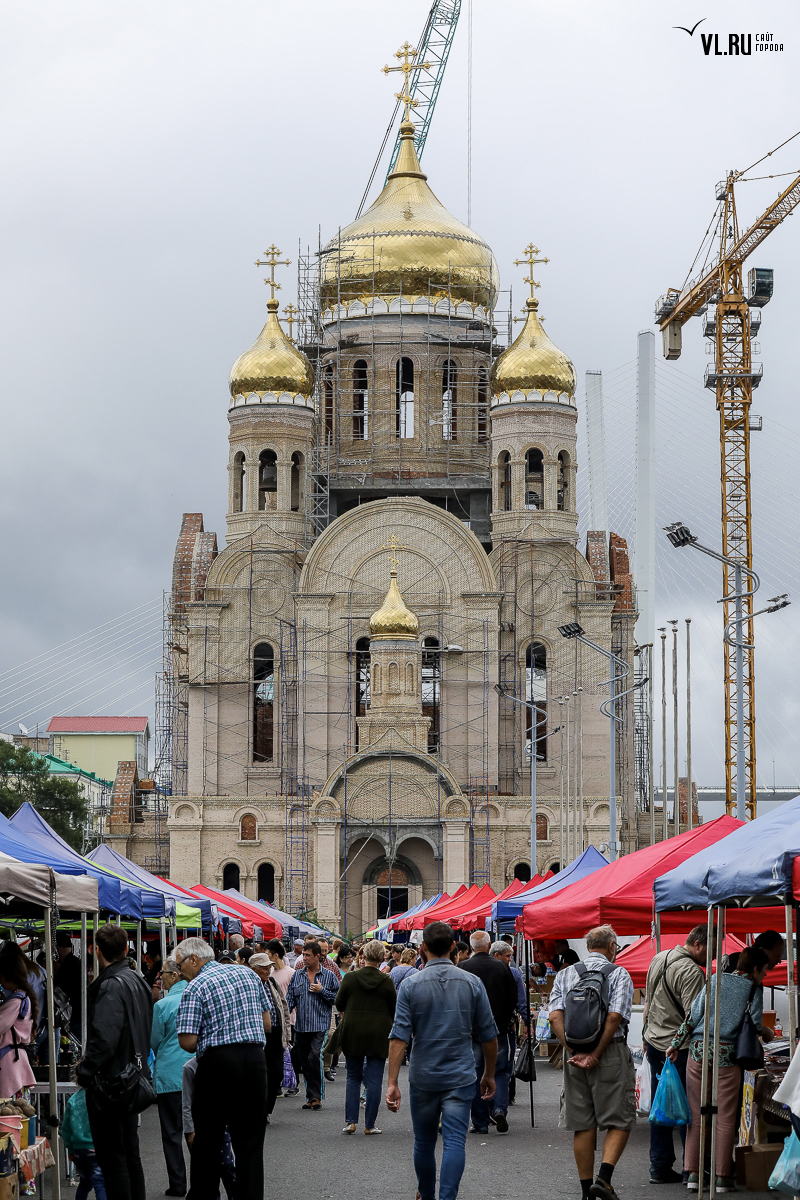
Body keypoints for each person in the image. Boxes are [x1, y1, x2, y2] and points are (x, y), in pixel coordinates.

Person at [386, 922, 498, 1200]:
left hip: (424, 1074)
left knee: (423, 1143)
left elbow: (399, 1037)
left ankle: (426, 1193)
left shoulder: (410, 985)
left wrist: (392, 1082)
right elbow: (489, 1035)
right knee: (454, 1142)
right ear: (454, 948)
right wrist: (489, 1073)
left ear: (422, 948)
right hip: (460, 1073)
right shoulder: (473, 983)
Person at [175, 936, 270, 1200]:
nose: (179, 972)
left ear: (193, 959)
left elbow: (188, 1041)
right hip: (254, 1061)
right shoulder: (248, 975)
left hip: (217, 1064)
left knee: (208, 1142)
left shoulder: (196, 986)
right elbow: (267, 1023)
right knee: (250, 1145)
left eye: (180, 965)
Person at [668, 945, 768, 1193]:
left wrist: (674, 1044)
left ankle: (692, 1173)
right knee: (724, 1117)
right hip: (727, 1053)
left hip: (699, 1049)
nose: (764, 976)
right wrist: (764, 1031)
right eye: (764, 971)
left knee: (696, 1113)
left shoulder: (715, 979)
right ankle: (722, 1176)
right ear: (755, 969)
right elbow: (755, 1025)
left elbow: (693, 1015)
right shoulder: (753, 989)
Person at [549, 925, 636, 1200]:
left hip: (573, 1054)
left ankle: (587, 1191)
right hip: (610, 1051)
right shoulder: (619, 973)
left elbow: (553, 1016)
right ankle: (604, 1179)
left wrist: (573, 1048)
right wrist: (596, 1053)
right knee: (619, 1118)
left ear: (588, 947)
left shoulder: (566, 973)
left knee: (583, 1123)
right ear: (612, 946)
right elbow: (614, 1017)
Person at [77, 923, 153, 1200]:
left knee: (115, 1160)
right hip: (131, 1076)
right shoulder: (136, 979)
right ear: (125, 949)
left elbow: (104, 1039)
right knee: (129, 1154)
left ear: (96, 950)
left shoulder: (113, 985)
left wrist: (85, 1071)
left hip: (114, 1083)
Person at [643, 926, 707, 1184]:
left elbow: (648, 1001)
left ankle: (659, 1167)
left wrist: (645, 1035)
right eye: (710, 950)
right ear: (699, 945)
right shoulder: (692, 971)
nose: (711, 957)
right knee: (686, 1107)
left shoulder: (659, 957)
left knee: (662, 1106)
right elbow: (695, 1016)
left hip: (654, 1042)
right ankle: (691, 1169)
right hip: (678, 1048)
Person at [334, 938, 397, 1135]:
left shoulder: (351, 978)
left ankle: (351, 1121)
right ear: (381, 958)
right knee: (375, 1078)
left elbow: (339, 1003)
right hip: (379, 1032)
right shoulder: (386, 981)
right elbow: (394, 1008)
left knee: (353, 1076)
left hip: (353, 1030)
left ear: (363, 956)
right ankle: (369, 1124)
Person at [459, 931, 518, 1134]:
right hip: (499, 1026)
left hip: (472, 1028)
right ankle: (499, 1108)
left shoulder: (464, 967)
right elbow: (512, 996)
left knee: (475, 1073)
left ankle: (480, 1121)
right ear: (489, 945)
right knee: (500, 1070)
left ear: (471, 947)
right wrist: (507, 1016)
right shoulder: (501, 966)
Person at [151, 957, 192, 1197]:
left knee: (171, 1133)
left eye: (163, 973)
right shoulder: (198, 996)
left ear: (175, 976)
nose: (161, 978)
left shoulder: (163, 1005)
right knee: (197, 1130)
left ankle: (177, 1184)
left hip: (169, 1075)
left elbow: (154, 1041)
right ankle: (202, 1181)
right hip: (196, 1073)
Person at [285, 940, 338, 1109]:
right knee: (305, 1061)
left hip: (320, 1024)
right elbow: (290, 1000)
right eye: (303, 955)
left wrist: (322, 991)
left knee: (315, 1056)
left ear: (317, 956)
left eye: (308, 955)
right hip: (301, 1026)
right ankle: (310, 1097)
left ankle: (317, 1096)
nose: (304, 958)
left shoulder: (328, 976)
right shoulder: (297, 975)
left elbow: (337, 999)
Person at [181, 1056, 235, 1200]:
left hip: (222, 1123)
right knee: (206, 1170)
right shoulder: (190, 1067)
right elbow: (186, 1103)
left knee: (227, 1164)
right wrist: (190, 1130)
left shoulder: (222, 1062)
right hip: (199, 1126)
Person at [249, 953, 291, 1116]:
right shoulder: (250, 985)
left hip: (275, 1034)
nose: (268, 971)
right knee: (259, 1075)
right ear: (254, 969)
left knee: (276, 1073)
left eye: (269, 968)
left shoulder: (272, 982)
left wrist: (287, 1033)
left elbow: (283, 1006)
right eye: (264, 968)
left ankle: (266, 1109)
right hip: (258, 1037)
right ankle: (259, 1111)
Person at [490, 940, 528, 1108]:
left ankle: (488, 1105)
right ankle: (502, 1103)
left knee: (485, 1064)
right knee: (505, 1065)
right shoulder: (514, 974)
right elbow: (521, 1001)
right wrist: (527, 1021)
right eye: (508, 956)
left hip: (484, 1026)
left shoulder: (477, 970)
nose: (510, 960)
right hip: (506, 1026)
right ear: (497, 955)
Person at [0, 944, 38, 1098]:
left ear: (8, 976)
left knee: (9, 1112)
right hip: (16, 1059)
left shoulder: (15, 1002)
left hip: (9, 1061)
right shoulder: (23, 997)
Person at [61, 1079, 106, 1200]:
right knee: (100, 1183)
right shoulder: (102, 1097)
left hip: (78, 1149)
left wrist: (70, 1149)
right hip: (97, 1147)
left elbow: (66, 1129)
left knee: (85, 1182)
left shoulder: (74, 1099)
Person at [54, 932, 83, 1037]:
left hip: (75, 1014)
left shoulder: (67, 967)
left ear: (58, 948)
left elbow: (61, 991)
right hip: (81, 1013)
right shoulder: (77, 963)